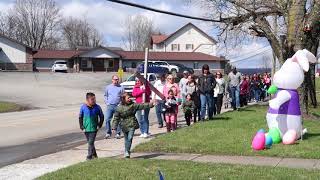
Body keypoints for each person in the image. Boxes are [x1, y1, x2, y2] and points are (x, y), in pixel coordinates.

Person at [112, 93, 155, 158]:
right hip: (124, 125)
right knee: (126, 139)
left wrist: (150, 104)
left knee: (130, 138)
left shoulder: (133, 105)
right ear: (123, 99)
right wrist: (114, 127)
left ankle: (127, 152)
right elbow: (116, 118)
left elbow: (142, 105)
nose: (130, 99)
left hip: (132, 123)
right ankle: (127, 151)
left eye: (130, 98)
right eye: (128, 98)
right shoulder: (119, 108)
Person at [79, 92, 104, 160]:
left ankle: (89, 156)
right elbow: (80, 117)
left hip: (94, 128)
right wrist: (82, 126)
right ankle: (95, 155)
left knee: (90, 142)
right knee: (91, 143)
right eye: (92, 99)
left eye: (94, 99)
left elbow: (102, 116)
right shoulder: (83, 107)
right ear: (87, 100)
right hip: (86, 128)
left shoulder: (97, 107)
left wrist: (99, 125)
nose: (94, 100)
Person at [104, 75, 124, 139]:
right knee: (107, 119)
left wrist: (120, 103)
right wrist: (107, 102)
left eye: (117, 79)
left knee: (118, 120)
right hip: (110, 106)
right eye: (115, 79)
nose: (116, 80)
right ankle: (108, 133)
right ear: (112, 80)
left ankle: (118, 133)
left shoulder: (121, 87)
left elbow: (123, 97)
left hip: (118, 106)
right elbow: (105, 95)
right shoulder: (108, 87)